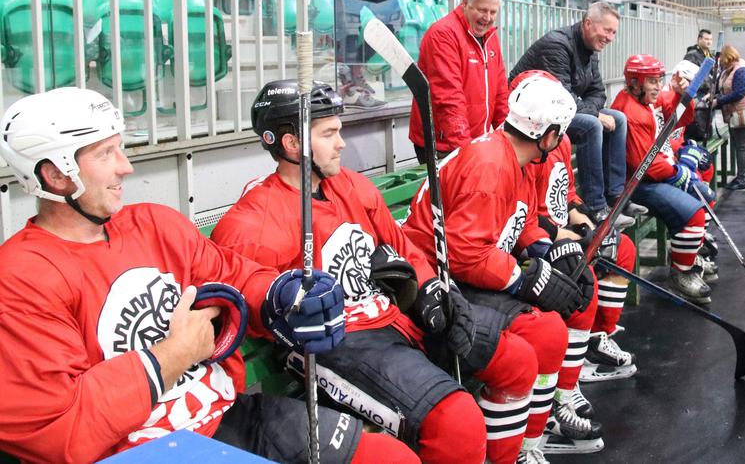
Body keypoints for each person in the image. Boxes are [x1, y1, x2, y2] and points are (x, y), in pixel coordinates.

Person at [0, 88, 414, 464]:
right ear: (56, 174)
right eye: (105, 154)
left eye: (119, 149)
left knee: (391, 459)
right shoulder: (21, 277)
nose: (125, 166)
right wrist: (173, 354)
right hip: (142, 448)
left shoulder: (155, 225)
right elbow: (55, 425)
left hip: (227, 415)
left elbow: (233, 272)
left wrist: (280, 293)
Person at [213, 80, 540, 464]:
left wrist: (429, 288)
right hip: (343, 342)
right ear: (292, 144)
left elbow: (404, 249)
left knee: (517, 360)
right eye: (329, 133)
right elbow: (250, 305)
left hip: (393, 317)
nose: (342, 143)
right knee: (456, 423)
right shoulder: (253, 222)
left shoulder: (352, 186)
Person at [403, 75, 593, 464]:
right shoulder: (489, 166)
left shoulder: (516, 159)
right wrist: (526, 279)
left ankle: (528, 442)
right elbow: (465, 254)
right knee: (534, 343)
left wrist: (549, 250)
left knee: (551, 331)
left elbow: (519, 221)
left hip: (468, 273)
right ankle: (504, 452)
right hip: (437, 282)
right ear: (548, 134)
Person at [514, 70, 638, 412]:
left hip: (562, 231)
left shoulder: (561, 141)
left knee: (621, 247)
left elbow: (566, 193)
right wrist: (562, 234)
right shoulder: (526, 150)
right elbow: (524, 215)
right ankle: (565, 382)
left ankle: (598, 338)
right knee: (583, 282)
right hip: (539, 241)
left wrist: (582, 217)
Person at [509, 2, 641, 227]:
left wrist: (591, 108)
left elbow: (598, 93)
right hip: (532, 117)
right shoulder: (557, 44)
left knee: (618, 118)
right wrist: (594, 113)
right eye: (607, 30)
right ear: (588, 24)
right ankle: (595, 207)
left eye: (614, 32)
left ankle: (616, 197)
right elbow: (563, 98)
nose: (611, 38)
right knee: (592, 125)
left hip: (559, 112)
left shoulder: (591, 51)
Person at [611, 56, 717, 305]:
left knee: (704, 194)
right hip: (639, 185)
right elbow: (644, 164)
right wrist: (679, 174)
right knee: (694, 212)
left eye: (660, 79)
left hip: (654, 175)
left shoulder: (647, 99)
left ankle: (688, 255)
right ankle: (682, 273)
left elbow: (681, 119)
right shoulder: (629, 110)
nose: (658, 86)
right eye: (652, 80)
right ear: (635, 82)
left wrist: (683, 96)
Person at [409, 0, 509, 163]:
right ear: (465, 4)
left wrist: (507, 138)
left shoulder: (490, 38)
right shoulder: (444, 35)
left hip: (477, 140)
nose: (487, 18)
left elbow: (500, 91)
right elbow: (449, 99)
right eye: (482, 10)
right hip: (444, 143)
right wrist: (466, 152)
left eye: (493, 12)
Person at [712, 45, 745, 192]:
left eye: (723, 61)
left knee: (743, 147)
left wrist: (718, 101)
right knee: (740, 146)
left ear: (728, 58)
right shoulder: (731, 69)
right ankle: (741, 176)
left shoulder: (741, 70)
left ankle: (743, 181)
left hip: (744, 114)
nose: (722, 64)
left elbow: (739, 93)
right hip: (736, 114)